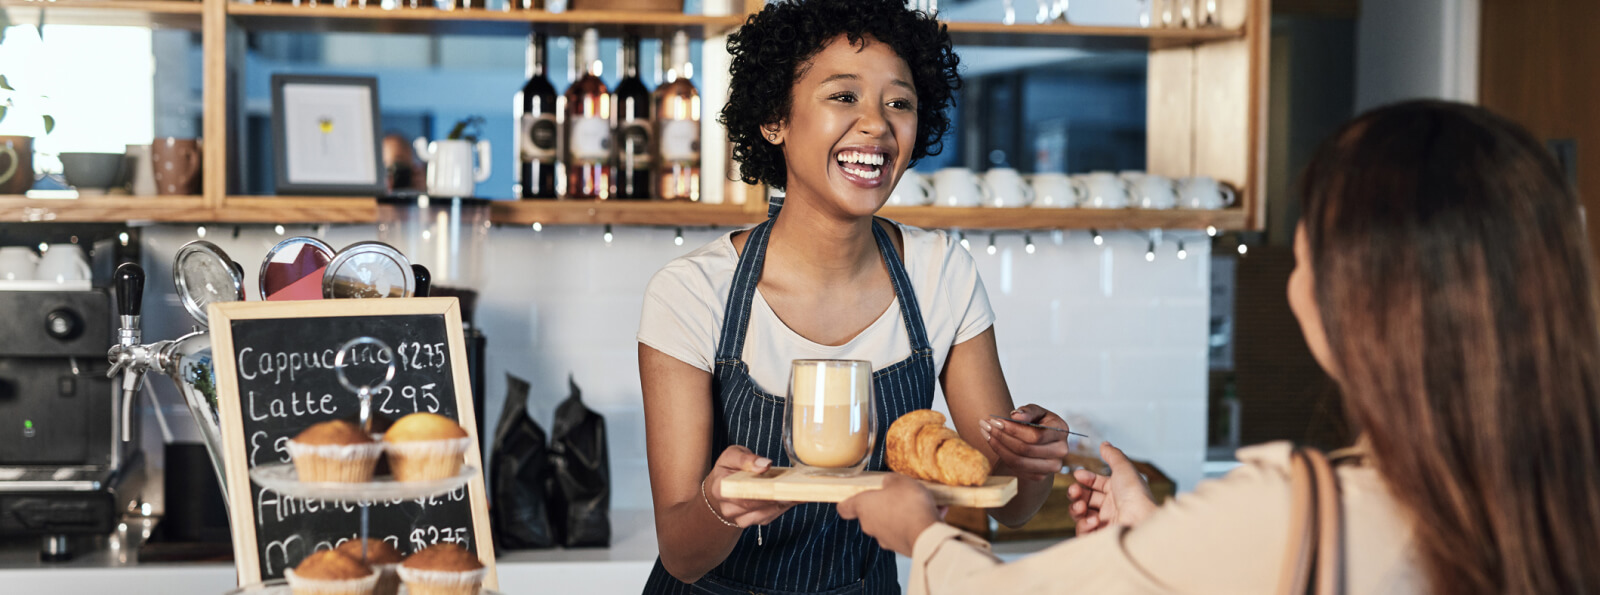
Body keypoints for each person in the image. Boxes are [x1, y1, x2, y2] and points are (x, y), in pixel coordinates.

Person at [840, 100, 1600, 594]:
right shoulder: (1563, 505)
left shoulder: (1300, 504)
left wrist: (922, 534)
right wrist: (1154, 541)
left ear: (1357, 300)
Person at [636, 1, 1071, 593]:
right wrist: (719, 505)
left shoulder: (939, 273)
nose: (877, 124)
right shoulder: (693, 292)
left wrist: (1029, 462)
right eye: (844, 97)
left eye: (900, 102)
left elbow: (1010, 504)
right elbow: (683, 555)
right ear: (774, 119)